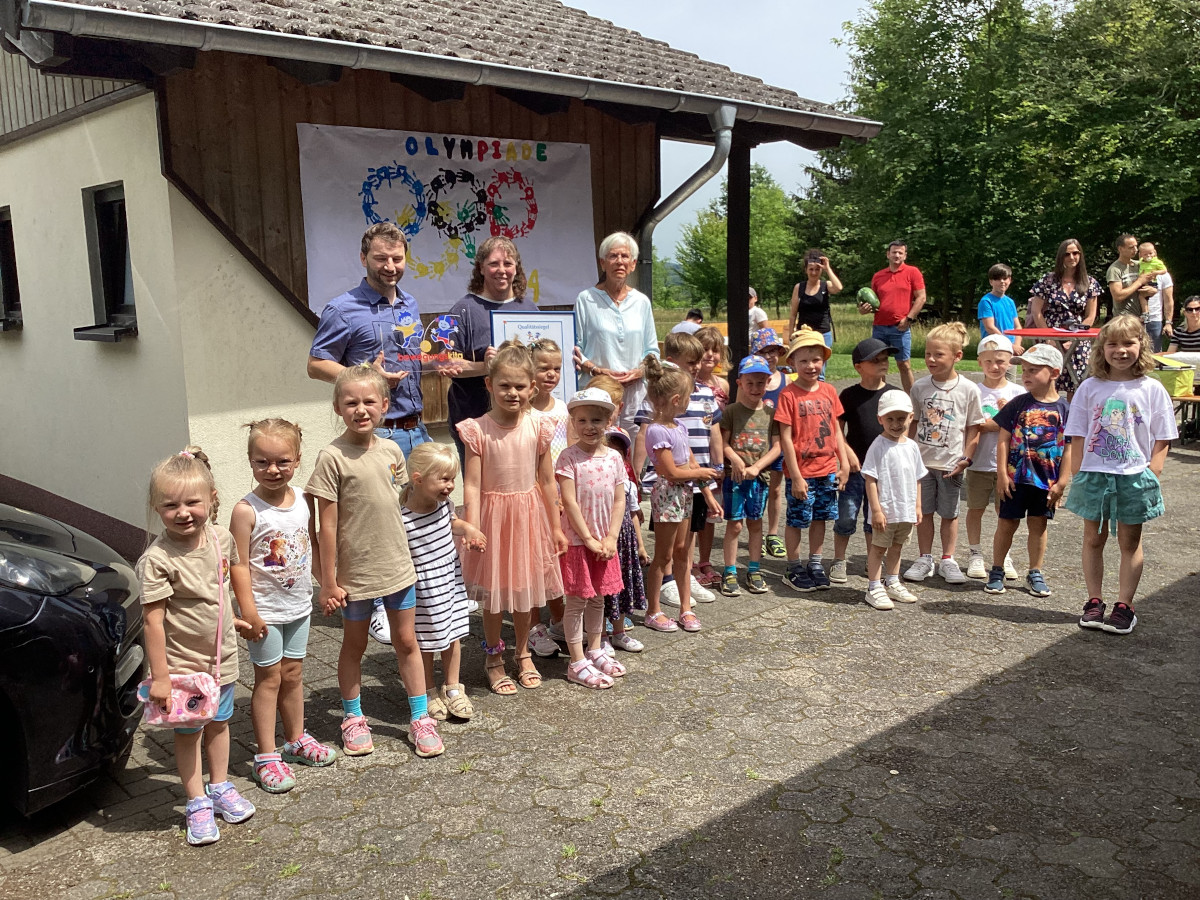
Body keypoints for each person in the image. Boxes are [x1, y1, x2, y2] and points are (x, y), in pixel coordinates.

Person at [307, 223, 446, 647]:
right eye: (381, 258)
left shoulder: (410, 303)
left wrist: (440, 361)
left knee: (418, 520)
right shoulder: (342, 308)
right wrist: (366, 376)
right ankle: (377, 610)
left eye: (397, 259)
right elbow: (316, 363)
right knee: (372, 527)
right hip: (375, 437)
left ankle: (416, 600)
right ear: (364, 258)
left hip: (415, 428)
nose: (390, 267)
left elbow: (412, 357)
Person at [306, 365, 442, 759]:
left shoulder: (392, 450)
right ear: (337, 406)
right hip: (355, 576)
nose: (360, 409)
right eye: (351, 402)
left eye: (369, 401)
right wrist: (328, 581)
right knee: (355, 645)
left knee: (406, 641)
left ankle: (420, 718)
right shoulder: (331, 457)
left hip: (398, 568)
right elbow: (325, 526)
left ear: (385, 405)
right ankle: (352, 717)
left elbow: (403, 505)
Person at [137, 449, 256, 846]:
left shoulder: (221, 538)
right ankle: (197, 801)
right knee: (189, 735)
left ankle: (220, 785)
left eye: (192, 502)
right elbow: (153, 620)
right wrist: (162, 677)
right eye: (170, 505)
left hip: (222, 660)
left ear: (211, 498)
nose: (183, 512)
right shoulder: (157, 559)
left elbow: (218, 590)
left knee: (221, 723)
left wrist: (235, 617)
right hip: (184, 668)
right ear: (157, 508)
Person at [229, 419, 336, 795]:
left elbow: (313, 544)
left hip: (299, 607)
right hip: (266, 613)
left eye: (282, 461)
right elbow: (237, 564)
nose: (272, 470)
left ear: (297, 460)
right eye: (262, 462)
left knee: (293, 674)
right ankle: (266, 755)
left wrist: (327, 585)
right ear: (250, 461)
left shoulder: (304, 500)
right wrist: (248, 611)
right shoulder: (246, 510)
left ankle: (295, 740)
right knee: (268, 679)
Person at [458, 341, 568, 694]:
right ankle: (493, 656)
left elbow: (547, 480)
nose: (512, 392)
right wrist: (472, 526)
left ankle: (523, 654)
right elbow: (472, 484)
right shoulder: (477, 429)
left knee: (523, 590)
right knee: (494, 594)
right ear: (489, 385)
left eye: (520, 386)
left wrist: (555, 527)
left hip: (527, 519)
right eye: (504, 385)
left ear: (532, 388)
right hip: (491, 520)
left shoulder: (540, 426)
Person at [1061, 315, 1177, 634]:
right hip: (1095, 475)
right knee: (1093, 538)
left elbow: (1164, 436)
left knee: (1129, 541)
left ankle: (1124, 605)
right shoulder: (1090, 387)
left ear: (1142, 345)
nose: (1121, 350)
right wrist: (1078, 473)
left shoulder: (1151, 389)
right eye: (1113, 343)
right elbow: (1078, 433)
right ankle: (1094, 601)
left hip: (1133, 476)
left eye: (1129, 343)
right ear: (1102, 348)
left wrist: (1153, 471)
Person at [401, 442, 486, 723]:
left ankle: (453, 687)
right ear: (418, 478)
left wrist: (470, 530)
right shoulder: (402, 518)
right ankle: (426, 690)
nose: (450, 486)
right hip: (423, 588)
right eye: (444, 479)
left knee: (454, 634)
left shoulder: (443, 505)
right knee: (424, 642)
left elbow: (452, 523)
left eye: (452, 479)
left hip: (449, 580)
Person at [632, 332, 716, 606]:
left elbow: (693, 454)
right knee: (665, 551)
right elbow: (667, 466)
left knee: (684, 543)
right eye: (691, 361)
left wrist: (707, 487)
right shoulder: (657, 424)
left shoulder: (679, 424)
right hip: (670, 489)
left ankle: (684, 582)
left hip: (687, 489)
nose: (696, 366)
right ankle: (662, 590)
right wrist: (637, 475)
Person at [984, 344, 1071, 598]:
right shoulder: (1018, 404)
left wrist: (1062, 482)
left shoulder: (1065, 409)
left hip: (1046, 482)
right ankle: (997, 570)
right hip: (1015, 478)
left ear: (1054, 372)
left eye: (1033, 370)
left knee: (1039, 525)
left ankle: (1035, 572)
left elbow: (1069, 448)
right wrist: (1001, 473)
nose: (1026, 375)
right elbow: (1003, 439)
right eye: (1024, 370)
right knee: (1006, 523)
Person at [556, 388, 629, 688]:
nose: (589, 426)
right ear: (572, 422)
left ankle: (595, 648)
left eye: (597, 420)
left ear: (608, 421)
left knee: (598, 598)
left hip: (604, 543)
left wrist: (611, 537)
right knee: (576, 602)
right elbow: (569, 502)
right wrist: (587, 538)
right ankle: (576, 662)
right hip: (578, 542)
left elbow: (619, 500)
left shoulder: (613, 457)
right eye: (582, 420)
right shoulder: (568, 457)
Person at [445, 236, 540, 463]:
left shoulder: (530, 308)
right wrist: (484, 367)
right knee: (479, 492)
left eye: (508, 264)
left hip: (522, 421)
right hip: (474, 420)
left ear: (516, 268)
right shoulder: (461, 310)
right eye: (494, 264)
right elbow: (446, 362)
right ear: (480, 268)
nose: (502, 270)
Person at [903, 323, 985, 585]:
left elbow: (974, 428)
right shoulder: (919, 387)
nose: (931, 359)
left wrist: (966, 458)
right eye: (928, 353)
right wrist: (907, 450)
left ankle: (947, 559)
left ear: (957, 356)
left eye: (938, 354)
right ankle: (924, 558)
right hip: (922, 463)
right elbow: (913, 422)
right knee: (923, 513)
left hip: (951, 464)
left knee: (949, 514)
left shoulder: (969, 390)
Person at [776, 326, 849, 592]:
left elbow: (836, 430)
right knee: (797, 519)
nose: (810, 365)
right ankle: (793, 566)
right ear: (792, 362)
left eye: (816, 359)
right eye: (803, 360)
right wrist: (795, 475)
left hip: (827, 469)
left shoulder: (829, 391)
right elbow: (785, 438)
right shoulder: (788, 395)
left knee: (820, 518)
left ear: (824, 360)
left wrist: (844, 464)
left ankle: (815, 562)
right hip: (801, 471)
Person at [829, 338, 902, 584]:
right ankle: (839, 561)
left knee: (876, 520)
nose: (883, 362)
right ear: (859, 366)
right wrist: (846, 455)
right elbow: (837, 431)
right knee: (846, 516)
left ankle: (874, 562)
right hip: (854, 469)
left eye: (885, 358)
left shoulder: (894, 394)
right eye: (875, 359)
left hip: (882, 472)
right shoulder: (849, 395)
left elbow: (902, 431)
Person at [574, 232, 660, 437]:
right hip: (598, 391)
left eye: (624, 256)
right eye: (613, 256)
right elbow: (576, 349)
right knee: (598, 450)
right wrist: (597, 370)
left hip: (635, 394)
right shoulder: (586, 299)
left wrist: (639, 372)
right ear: (602, 263)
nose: (619, 262)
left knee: (636, 451)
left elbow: (652, 350)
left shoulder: (641, 302)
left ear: (633, 263)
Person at [719, 355, 782, 596]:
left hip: (759, 479)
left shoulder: (771, 413)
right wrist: (735, 458)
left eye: (760, 383)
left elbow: (777, 447)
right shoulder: (732, 411)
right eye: (750, 383)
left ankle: (754, 569)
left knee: (756, 524)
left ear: (768, 382)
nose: (755, 388)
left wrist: (757, 467)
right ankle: (730, 570)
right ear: (740, 383)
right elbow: (723, 443)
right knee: (734, 526)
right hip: (734, 478)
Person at [963, 336, 1024, 581]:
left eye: (1000, 361)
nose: (994, 366)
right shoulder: (973, 390)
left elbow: (1019, 426)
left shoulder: (1018, 392)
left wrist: (994, 423)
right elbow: (973, 425)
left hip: (1008, 466)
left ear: (1010, 362)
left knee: (1005, 512)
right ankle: (975, 552)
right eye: (988, 361)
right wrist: (1001, 420)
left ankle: (1003, 554)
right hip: (978, 462)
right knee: (975, 508)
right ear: (979, 362)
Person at [526, 337, 571, 658]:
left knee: (554, 563)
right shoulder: (522, 409)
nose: (551, 374)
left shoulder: (564, 409)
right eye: (543, 368)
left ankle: (558, 619)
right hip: (529, 498)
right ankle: (531, 627)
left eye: (556, 368)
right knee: (530, 566)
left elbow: (568, 452)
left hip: (559, 497)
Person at [861, 391, 926, 609]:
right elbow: (870, 479)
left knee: (897, 547)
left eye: (901, 418)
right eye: (890, 419)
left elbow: (917, 478)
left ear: (910, 417)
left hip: (905, 510)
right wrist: (876, 510)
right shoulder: (878, 446)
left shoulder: (912, 446)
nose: (896, 424)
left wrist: (918, 506)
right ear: (880, 419)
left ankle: (893, 581)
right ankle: (873, 586)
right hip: (886, 511)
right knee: (878, 548)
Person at [1027, 238, 1103, 393]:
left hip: (1078, 335)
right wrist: (1049, 337)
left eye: (1075, 253)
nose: (1071, 257)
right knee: (1046, 380)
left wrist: (1077, 338)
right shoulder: (1047, 280)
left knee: (1077, 384)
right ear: (1061, 256)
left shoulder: (1090, 283)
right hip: (1050, 333)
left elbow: (1090, 315)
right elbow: (1036, 311)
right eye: (1067, 254)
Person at [601, 425, 647, 653]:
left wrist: (641, 545)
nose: (613, 457)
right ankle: (600, 635)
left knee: (622, 588)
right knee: (601, 591)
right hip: (604, 543)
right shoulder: (595, 483)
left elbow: (634, 515)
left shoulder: (628, 485)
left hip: (625, 545)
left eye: (618, 454)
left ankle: (619, 632)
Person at [860, 240, 926, 392]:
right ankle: (880, 397)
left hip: (900, 327)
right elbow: (872, 302)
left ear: (905, 255)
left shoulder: (912, 272)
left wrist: (909, 318)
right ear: (888, 254)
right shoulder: (878, 276)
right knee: (878, 364)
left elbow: (921, 297)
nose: (896, 255)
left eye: (900, 252)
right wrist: (864, 309)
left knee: (904, 364)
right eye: (894, 252)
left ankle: (912, 400)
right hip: (879, 327)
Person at [751, 328, 793, 560]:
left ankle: (773, 533)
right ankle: (754, 529)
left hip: (780, 443)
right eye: (764, 351)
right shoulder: (753, 379)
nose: (769, 356)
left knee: (776, 489)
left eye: (773, 351)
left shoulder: (786, 379)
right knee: (757, 489)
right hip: (755, 443)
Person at [787, 249, 843, 350]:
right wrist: (791, 336)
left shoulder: (826, 285)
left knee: (820, 364)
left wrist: (828, 268)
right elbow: (793, 314)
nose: (814, 272)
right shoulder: (799, 287)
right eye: (811, 269)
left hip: (823, 334)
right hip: (804, 334)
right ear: (806, 270)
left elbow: (838, 288)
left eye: (817, 269)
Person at [1106, 233, 1158, 319]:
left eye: (1136, 246)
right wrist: (1139, 282)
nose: (1135, 250)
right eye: (1131, 247)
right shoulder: (1114, 269)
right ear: (1120, 249)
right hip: (1124, 320)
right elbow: (1118, 296)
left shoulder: (1140, 265)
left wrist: (1153, 290)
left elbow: (1151, 283)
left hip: (1141, 319)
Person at [977, 264, 1023, 355]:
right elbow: (990, 327)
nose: (1002, 281)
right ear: (991, 282)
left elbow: (1017, 327)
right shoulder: (986, 301)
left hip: (1010, 350)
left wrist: (1016, 345)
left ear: (1010, 280)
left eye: (1005, 278)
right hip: (993, 348)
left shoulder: (1010, 302)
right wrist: (1009, 345)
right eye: (997, 279)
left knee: (1011, 369)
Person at [1137, 242, 1174, 351]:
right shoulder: (1136, 267)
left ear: (1155, 253)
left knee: (1154, 354)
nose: (1148, 256)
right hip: (1134, 318)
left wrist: (1168, 322)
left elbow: (1168, 300)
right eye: (1144, 254)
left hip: (1155, 319)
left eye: (1150, 253)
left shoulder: (1163, 274)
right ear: (1140, 255)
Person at [1165, 295, 1200, 362]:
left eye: (1197, 309)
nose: (1194, 312)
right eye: (1190, 310)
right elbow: (1169, 354)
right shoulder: (1179, 331)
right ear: (1185, 313)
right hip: (1186, 367)